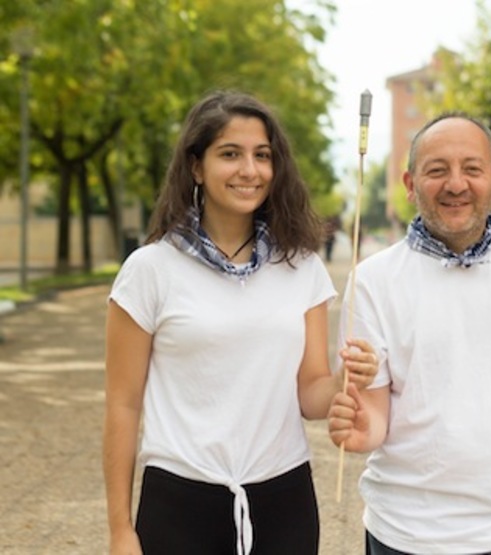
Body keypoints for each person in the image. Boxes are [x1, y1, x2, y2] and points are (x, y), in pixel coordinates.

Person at [102, 90, 378, 555]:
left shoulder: (302, 266)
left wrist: (343, 381)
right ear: (196, 166)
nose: (250, 170)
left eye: (262, 156)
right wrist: (119, 531)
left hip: (284, 500)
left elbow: (310, 394)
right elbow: (123, 405)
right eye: (230, 154)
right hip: (178, 503)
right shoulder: (150, 269)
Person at [328, 112, 491, 555]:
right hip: (407, 535)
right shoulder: (371, 280)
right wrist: (361, 430)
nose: (456, 184)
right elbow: (374, 415)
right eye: (437, 170)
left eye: (471, 168)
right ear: (410, 184)